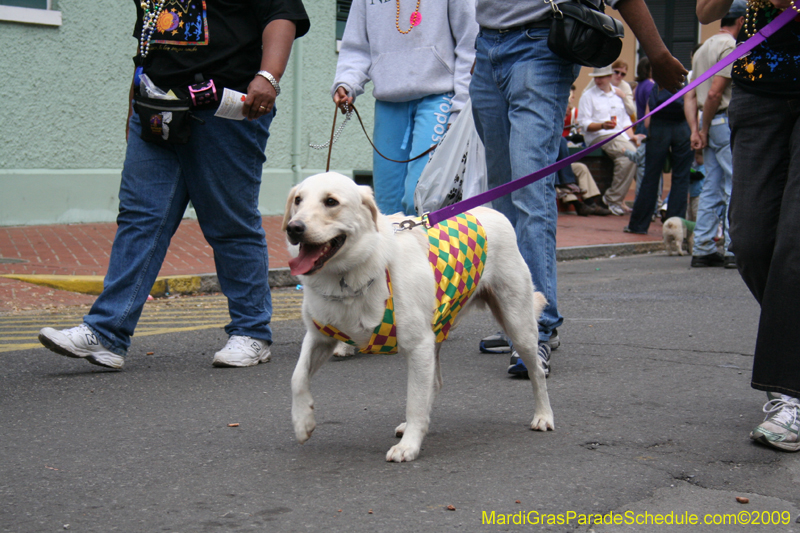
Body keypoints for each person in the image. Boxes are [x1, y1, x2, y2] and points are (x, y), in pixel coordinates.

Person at [38, 1, 311, 370]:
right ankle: (107, 333)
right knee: (140, 217)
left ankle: (252, 332)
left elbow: (281, 12)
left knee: (229, 222)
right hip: (156, 105)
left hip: (224, 106)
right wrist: (133, 104)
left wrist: (269, 75)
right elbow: (149, 43)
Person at [470, 0, 687, 377]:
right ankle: (514, 314)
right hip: (487, 46)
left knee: (529, 190)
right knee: (502, 196)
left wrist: (658, 52)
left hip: (539, 43)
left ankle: (536, 325)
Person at [697, 0, 800, 452]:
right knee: (751, 240)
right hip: (759, 90)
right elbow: (705, 11)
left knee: (795, 248)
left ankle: (791, 392)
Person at [331, 0, 478, 216]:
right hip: (388, 103)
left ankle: (430, 249)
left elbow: (469, 44)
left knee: (422, 199)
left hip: (438, 99)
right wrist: (346, 81)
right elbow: (356, 47)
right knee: (386, 205)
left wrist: (460, 107)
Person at [684, 2, 745, 268]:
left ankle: (703, 246)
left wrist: (696, 130)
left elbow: (690, 95)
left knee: (711, 187)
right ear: (742, 21)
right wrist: (706, 127)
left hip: (704, 121)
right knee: (735, 186)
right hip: (722, 120)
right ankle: (733, 248)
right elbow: (714, 92)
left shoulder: (701, 51)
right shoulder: (730, 47)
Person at [625, 85, 693, 234]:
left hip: (659, 128)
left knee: (650, 176)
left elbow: (647, 122)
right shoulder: (686, 83)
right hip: (683, 128)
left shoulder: (657, 87)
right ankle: (675, 226)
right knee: (681, 178)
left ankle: (638, 225)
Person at [578, 65, 645, 216]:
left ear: (609, 77)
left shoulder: (617, 96)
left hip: (619, 135)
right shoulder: (588, 96)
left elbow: (625, 121)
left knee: (642, 156)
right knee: (630, 155)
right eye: (596, 77)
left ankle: (649, 204)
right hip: (599, 136)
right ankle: (612, 199)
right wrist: (602, 125)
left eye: (601, 77)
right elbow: (584, 124)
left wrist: (633, 137)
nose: (598, 80)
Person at [556, 138, 612, 216]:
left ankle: (590, 202)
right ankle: (577, 205)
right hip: (547, 168)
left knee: (581, 167)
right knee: (554, 173)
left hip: (560, 166)